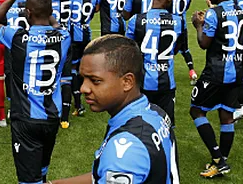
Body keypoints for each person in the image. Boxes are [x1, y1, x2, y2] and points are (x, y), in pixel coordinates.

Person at [51, 35, 178, 184]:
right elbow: (103, 174)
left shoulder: (125, 151)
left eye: (95, 81)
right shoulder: (155, 112)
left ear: (127, 82)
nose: (83, 88)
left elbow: (120, 166)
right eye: (83, 79)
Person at [0, 0, 71, 184]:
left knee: (29, 180)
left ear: (28, 13)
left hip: (26, 119)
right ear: (50, 12)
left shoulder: (18, 38)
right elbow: (55, 24)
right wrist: (40, 5)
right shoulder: (65, 37)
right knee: (41, 173)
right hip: (52, 117)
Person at [190, 0, 243, 178]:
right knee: (227, 116)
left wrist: (198, 24)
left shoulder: (215, 13)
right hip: (237, 71)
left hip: (216, 71)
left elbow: (204, 43)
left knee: (196, 110)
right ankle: (221, 161)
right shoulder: (241, 11)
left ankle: (219, 159)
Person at [126, 0, 184, 125]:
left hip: (142, 82)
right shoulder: (178, 22)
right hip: (167, 82)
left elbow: (129, 50)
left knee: (140, 124)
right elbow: (176, 49)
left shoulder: (136, 20)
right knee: (166, 126)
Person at [35, 0, 74, 128]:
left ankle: (48, 110)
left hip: (50, 40)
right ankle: (65, 118)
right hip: (66, 38)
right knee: (66, 78)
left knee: (49, 76)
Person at [68, 0, 96, 118]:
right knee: (81, 69)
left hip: (73, 37)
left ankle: (78, 104)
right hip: (86, 36)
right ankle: (83, 99)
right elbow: (91, 14)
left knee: (72, 69)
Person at [169, 0, 197, 84]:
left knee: (167, 50)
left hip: (169, 25)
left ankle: (167, 73)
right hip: (182, 25)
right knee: (185, 49)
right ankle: (192, 71)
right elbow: (187, 7)